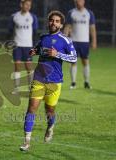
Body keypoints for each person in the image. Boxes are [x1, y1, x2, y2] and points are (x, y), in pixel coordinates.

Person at [20, 10, 77, 151]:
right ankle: (26, 142)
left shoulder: (66, 41)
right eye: (52, 20)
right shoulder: (43, 37)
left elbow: (74, 58)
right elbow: (40, 49)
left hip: (55, 81)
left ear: (61, 24)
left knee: (49, 110)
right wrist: (35, 51)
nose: (53, 23)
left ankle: (50, 126)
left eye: (57, 21)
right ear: (48, 22)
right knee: (31, 109)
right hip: (39, 78)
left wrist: (58, 54)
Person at [64, 0, 97, 89]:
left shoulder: (89, 13)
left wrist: (94, 41)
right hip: (73, 41)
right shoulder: (71, 13)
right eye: (76, 1)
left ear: (83, 1)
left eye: (80, 0)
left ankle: (86, 82)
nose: (78, 2)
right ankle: (73, 83)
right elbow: (67, 27)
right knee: (73, 61)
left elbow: (92, 28)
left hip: (84, 42)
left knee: (85, 61)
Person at [8, 0, 38, 94]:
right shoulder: (14, 16)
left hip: (28, 46)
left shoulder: (33, 17)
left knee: (29, 67)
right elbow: (10, 31)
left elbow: (35, 32)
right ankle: (16, 88)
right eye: (27, 4)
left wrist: (35, 45)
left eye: (30, 5)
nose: (28, 6)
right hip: (17, 45)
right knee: (17, 66)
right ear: (21, 5)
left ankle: (31, 87)